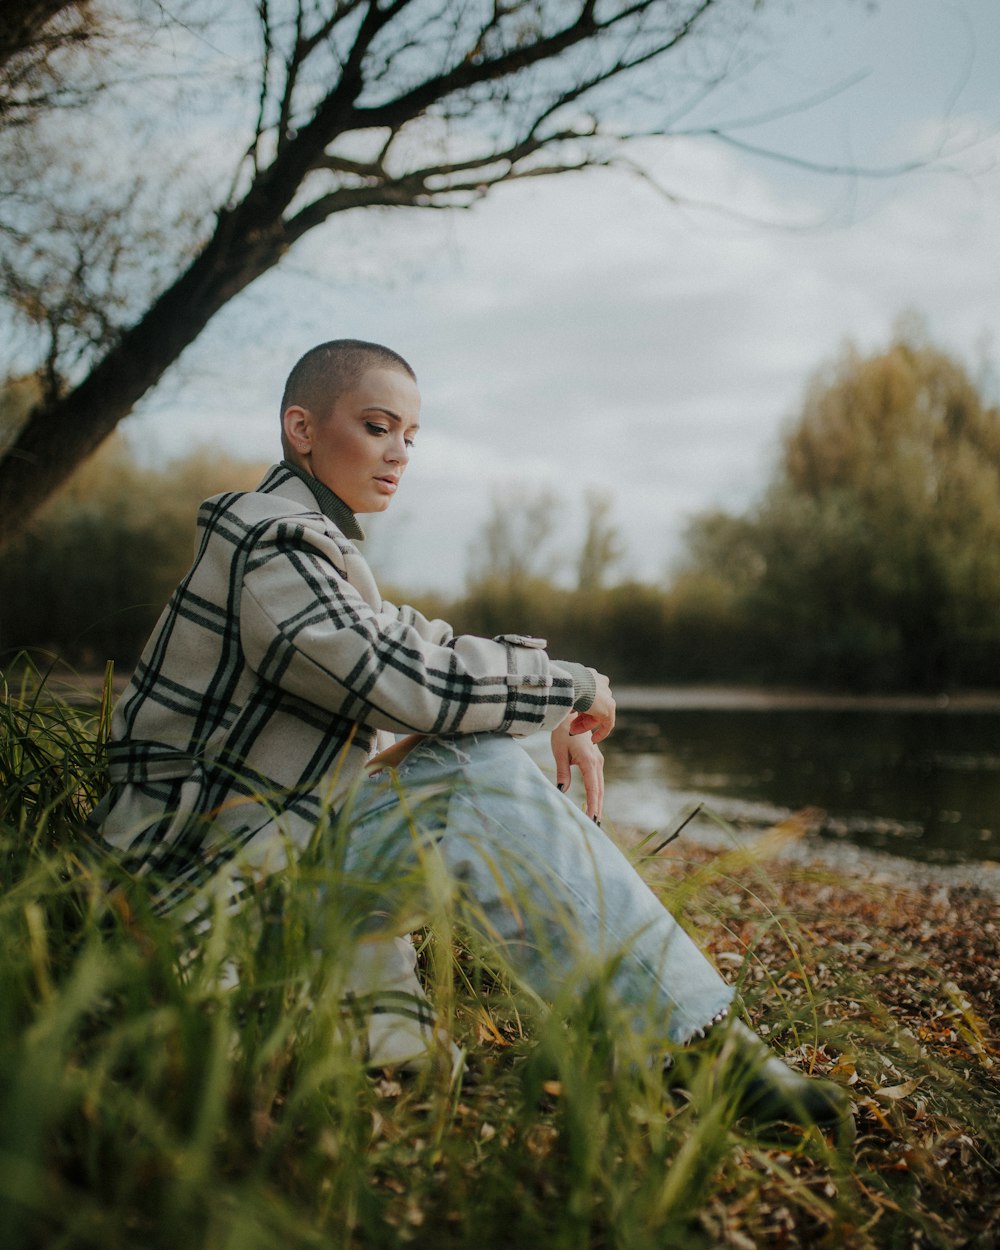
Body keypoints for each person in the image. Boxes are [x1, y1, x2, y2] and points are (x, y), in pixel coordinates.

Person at [96, 339, 848, 1130]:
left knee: (477, 753)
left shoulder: (319, 550)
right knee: (470, 774)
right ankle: (696, 1048)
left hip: (268, 875)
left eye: (411, 438)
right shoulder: (270, 543)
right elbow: (411, 683)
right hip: (201, 909)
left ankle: (393, 1047)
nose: (400, 454)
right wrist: (573, 688)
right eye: (379, 426)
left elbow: (429, 646)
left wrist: (554, 714)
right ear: (302, 428)